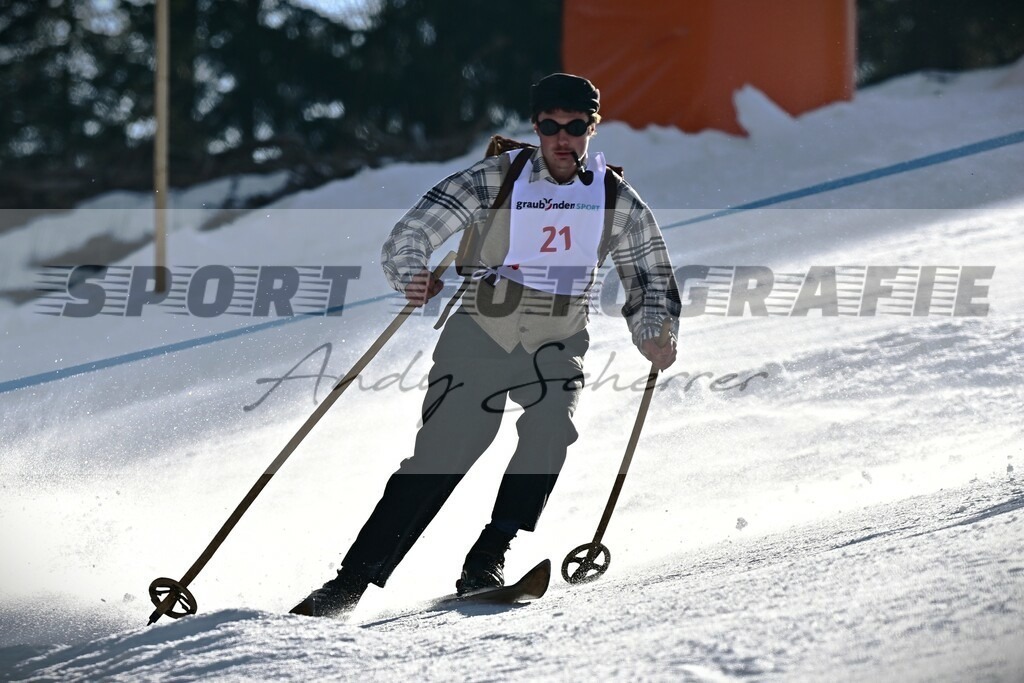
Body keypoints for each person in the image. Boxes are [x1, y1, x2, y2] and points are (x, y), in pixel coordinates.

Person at [291, 73, 680, 617]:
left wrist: (654, 331)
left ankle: (488, 556)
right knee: (443, 454)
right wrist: (411, 274)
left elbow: (650, 275)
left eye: (574, 127)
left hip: (557, 339)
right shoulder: (495, 178)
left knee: (551, 429)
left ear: (592, 128)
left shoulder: (614, 197)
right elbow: (411, 234)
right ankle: (349, 583)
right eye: (549, 126)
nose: (561, 138)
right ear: (536, 127)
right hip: (479, 333)